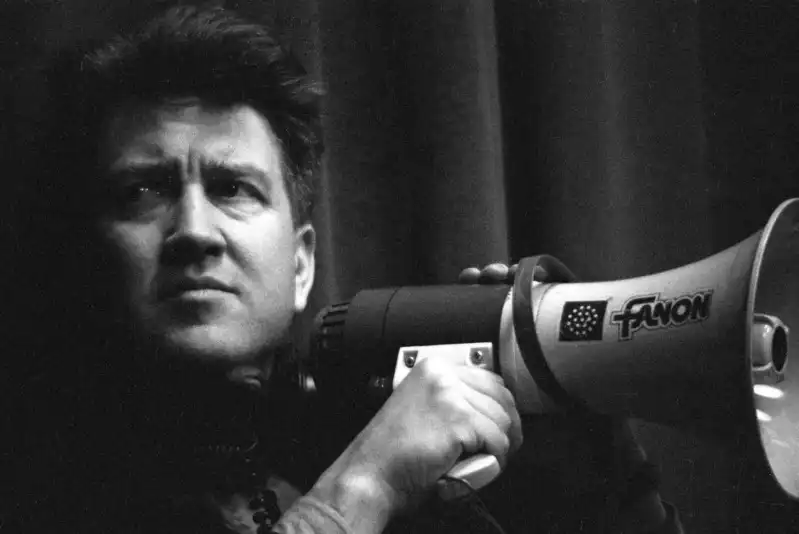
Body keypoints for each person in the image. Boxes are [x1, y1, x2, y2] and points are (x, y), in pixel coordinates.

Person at [2, 4, 683, 533]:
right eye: (144, 191)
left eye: (234, 187)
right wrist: (366, 486)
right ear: (89, 250)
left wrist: (586, 444)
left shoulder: (365, 448)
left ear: (302, 264)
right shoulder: (38, 481)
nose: (194, 232)